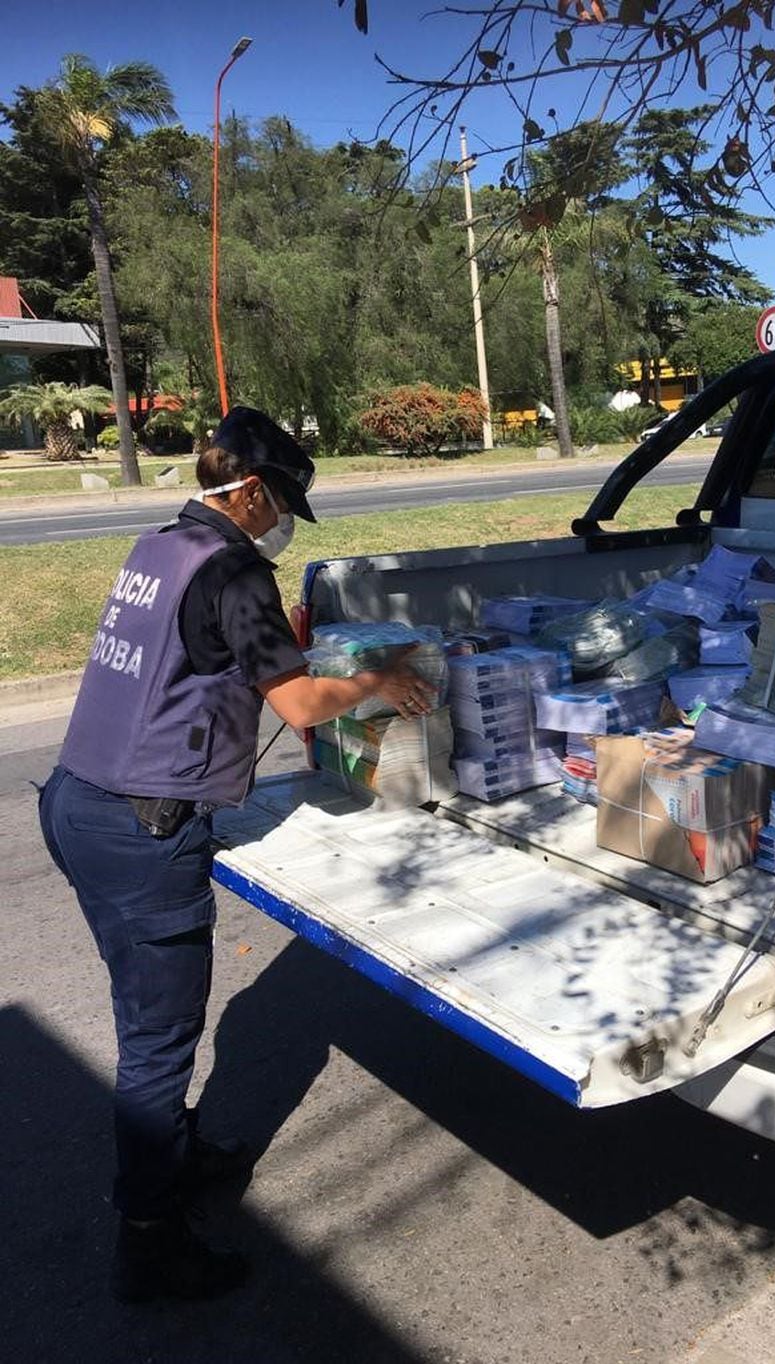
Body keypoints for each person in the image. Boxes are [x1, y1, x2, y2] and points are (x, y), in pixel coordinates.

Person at [38, 406, 434, 1303]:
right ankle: (150, 1241)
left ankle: (173, 1157)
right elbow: (297, 704)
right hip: (142, 829)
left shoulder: (159, 548)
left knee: (143, 1012)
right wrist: (376, 682)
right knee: (155, 1042)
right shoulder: (236, 570)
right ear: (250, 491)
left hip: (76, 804)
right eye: (282, 500)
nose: (283, 519)